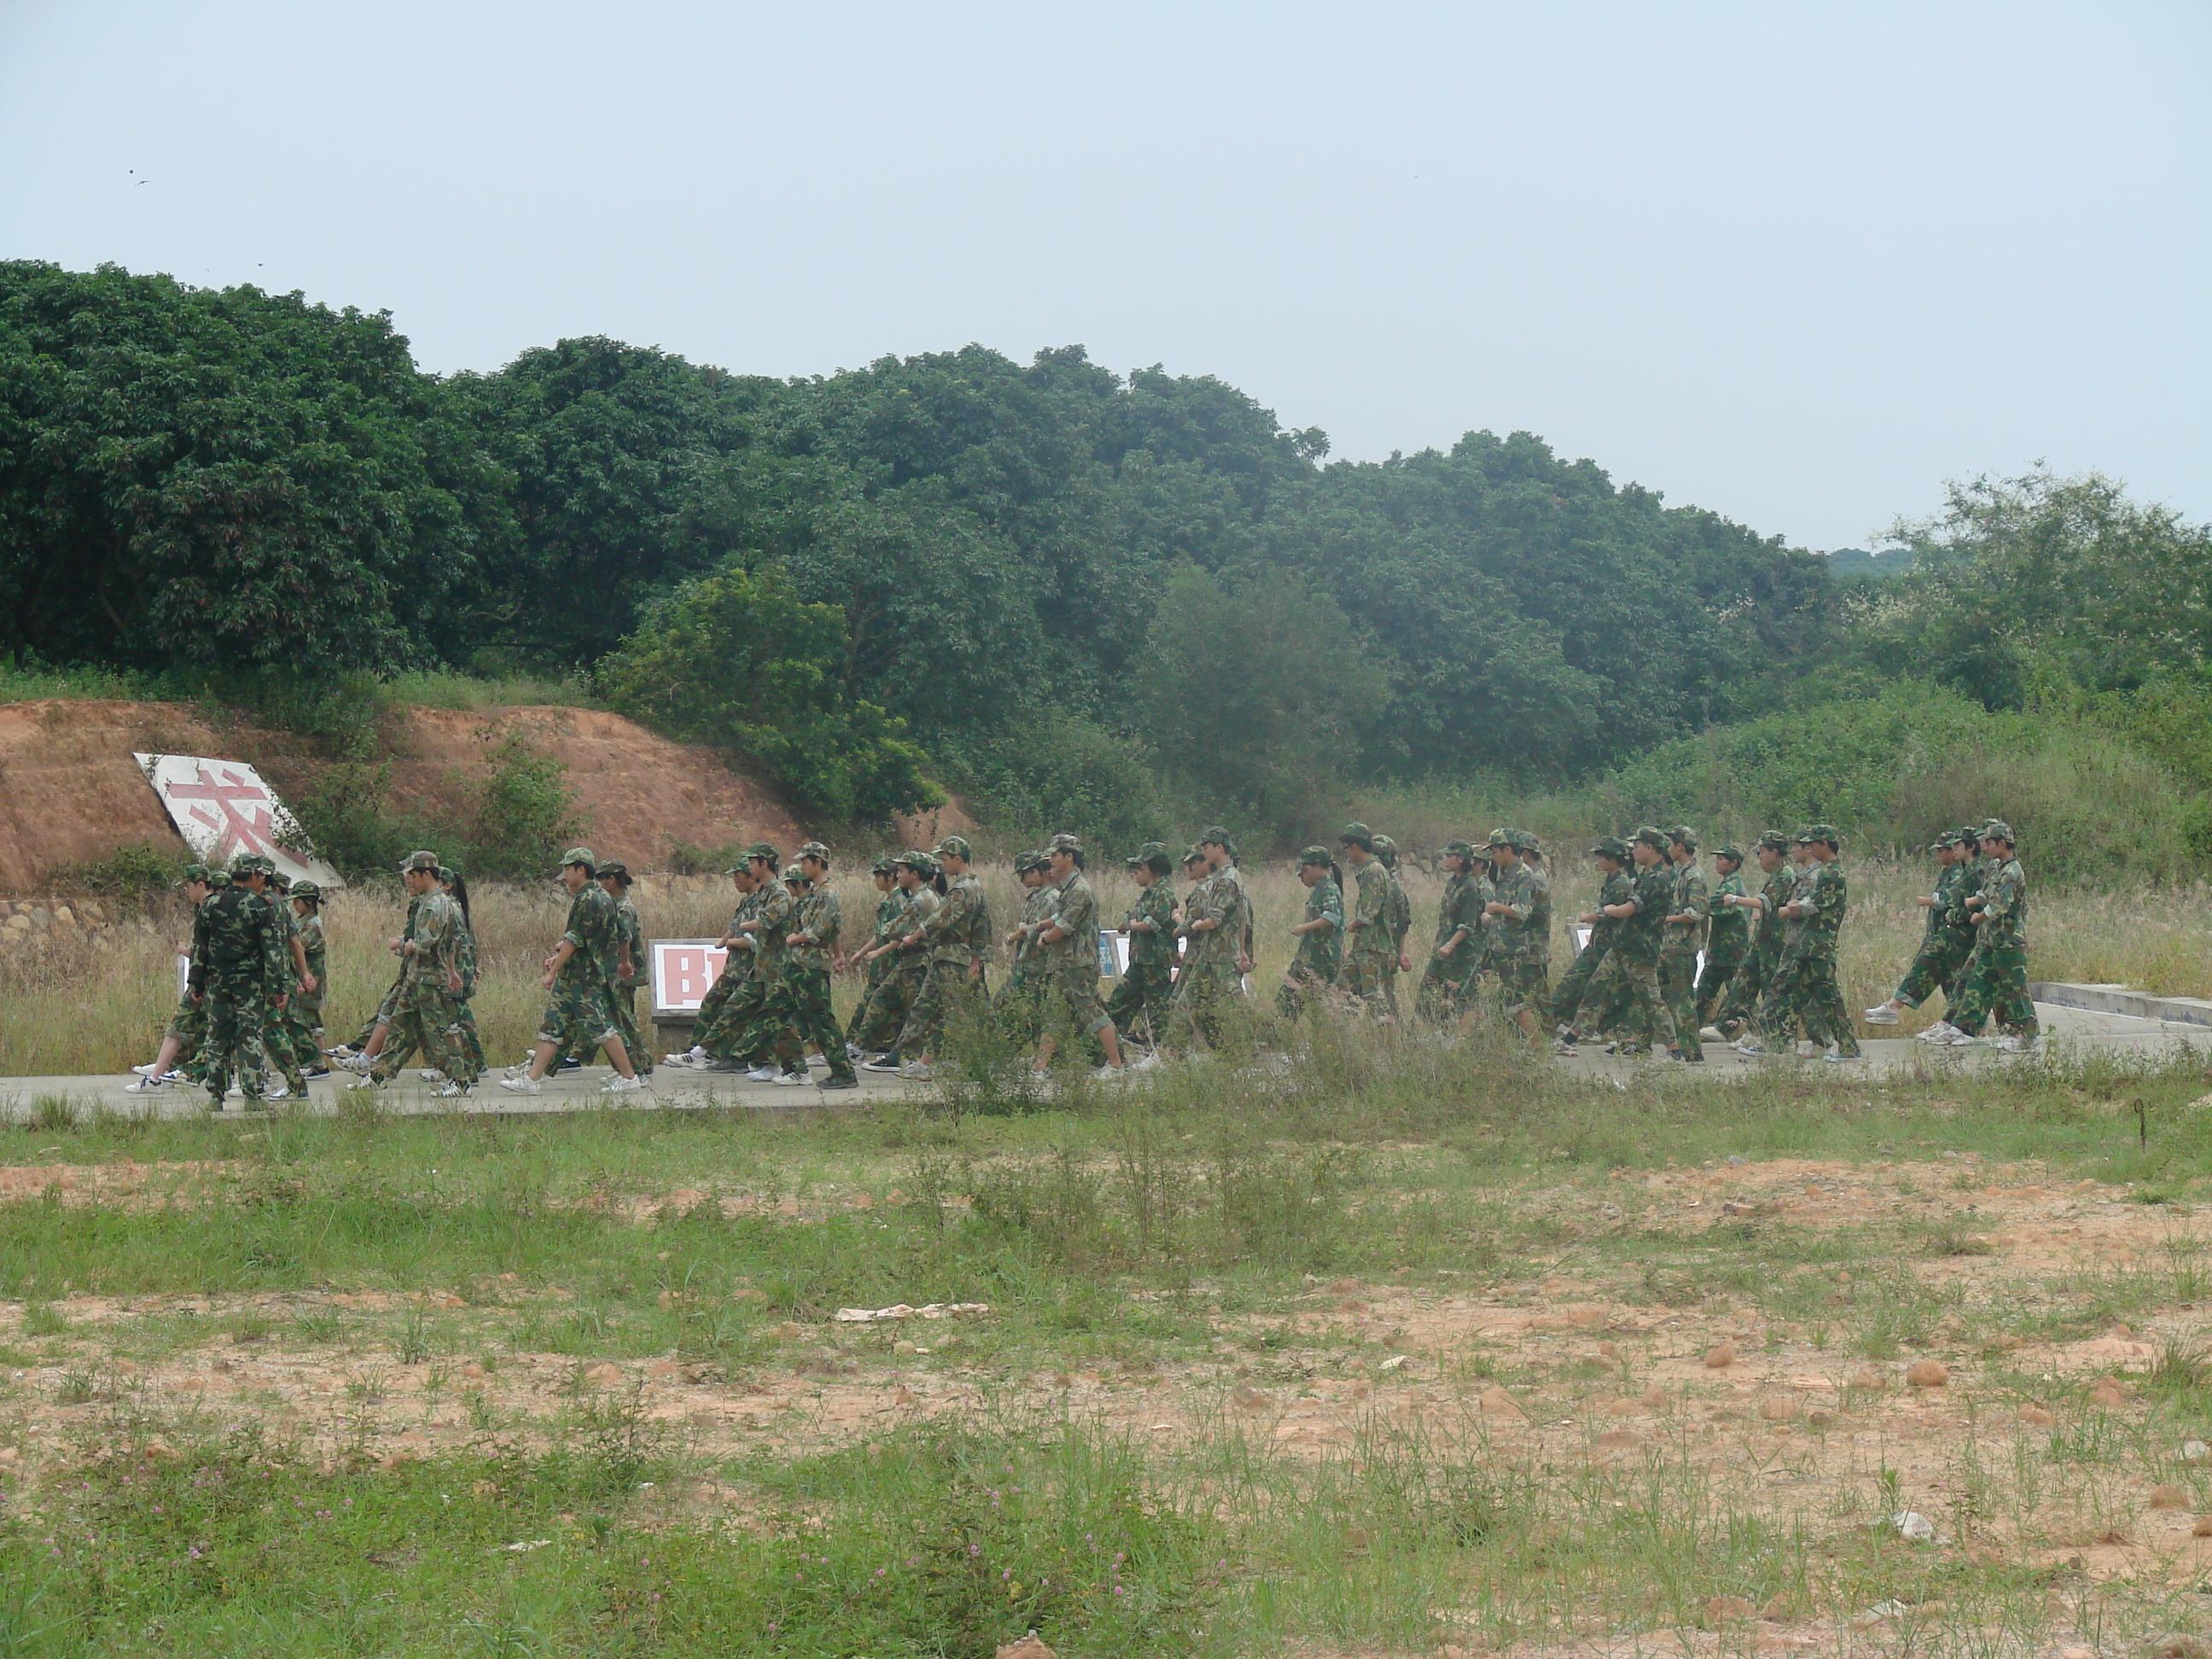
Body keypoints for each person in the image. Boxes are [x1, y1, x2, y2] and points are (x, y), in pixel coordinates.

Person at [498, 847, 645, 1096]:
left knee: (601, 1028)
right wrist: (561, 960)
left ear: (581, 869)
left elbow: (575, 939)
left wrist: (553, 970)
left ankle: (629, 1077)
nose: (565, 876)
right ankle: (531, 1079)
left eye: (568, 870)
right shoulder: (602, 896)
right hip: (577, 976)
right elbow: (606, 937)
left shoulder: (588, 899)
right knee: (553, 1025)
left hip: (583, 978)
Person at [348, 851, 474, 1095]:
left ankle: (460, 1081)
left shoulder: (435, 905)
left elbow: (425, 943)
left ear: (426, 875)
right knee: (400, 1028)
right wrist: (452, 971)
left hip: (430, 981)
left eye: (413, 876)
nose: (410, 881)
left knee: (440, 1032)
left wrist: (402, 945)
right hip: (417, 979)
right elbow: (450, 944)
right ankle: (379, 1075)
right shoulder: (431, 902)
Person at [888, 835, 992, 1080]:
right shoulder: (976, 887)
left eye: (945, 859)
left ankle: (977, 1064)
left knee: (953, 1013)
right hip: (950, 958)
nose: (942, 865)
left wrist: (914, 936)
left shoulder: (961, 889)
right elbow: (983, 928)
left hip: (951, 959)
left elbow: (939, 919)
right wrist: (977, 958)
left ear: (958, 859)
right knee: (928, 1009)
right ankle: (919, 1061)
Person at [192, 853, 288, 1110]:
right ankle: (253, 1096)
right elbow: (273, 950)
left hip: (217, 983)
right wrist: (279, 986)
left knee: (217, 1036)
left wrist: (196, 982)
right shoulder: (260, 906)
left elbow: (200, 947)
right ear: (253, 875)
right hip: (250, 985)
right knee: (249, 1036)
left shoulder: (210, 905)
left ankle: (216, 1096)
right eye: (261, 875)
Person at [1028, 833, 1130, 1077]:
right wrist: (1044, 924)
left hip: (1078, 963)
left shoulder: (1079, 890)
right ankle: (1040, 1068)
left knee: (1093, 1013)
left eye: (1055, 855)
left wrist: (1044, 939)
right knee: (1055, 1014)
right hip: (1065, 964)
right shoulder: (1069, 888)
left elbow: (1065, 926)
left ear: (1069, 857)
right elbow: (1060, 917)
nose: (1050, 861)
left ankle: (1116, 1065)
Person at [1866, 828, 1981, 1038]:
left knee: (1928, 963)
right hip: (1946, 934)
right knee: (1953, 982)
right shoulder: (1960, 871)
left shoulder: (1968, 872)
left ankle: (1895, 1006)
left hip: (1956, 936)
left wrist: (1932, 903)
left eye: (1944, 849)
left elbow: (1954, 901)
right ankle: (1955, 1024)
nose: (1940, 854)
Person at [1941, 820, 2040, 1051]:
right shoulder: (1998, 868)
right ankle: (1964, 1027)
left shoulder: (2013, 872)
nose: (1984, 847)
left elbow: (1999, 906)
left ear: (2002, 844)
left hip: (2008, 940)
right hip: (1991, 939)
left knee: (2014, 989)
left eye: (1989, 842)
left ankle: (2027, 1035)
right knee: (1978, 981)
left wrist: (1978, 917)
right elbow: (1988, 894)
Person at [769, 841, 859, 1090]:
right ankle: (795, 1068)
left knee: (821, 1020)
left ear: (818, 863)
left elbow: (821, 929)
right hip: (798, 964)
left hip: (813, 966)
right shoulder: (813, 894)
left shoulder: (828, 895)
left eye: (805, 862)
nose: (802, 867)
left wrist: (795, 939)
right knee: (775, 1010)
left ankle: (843, 1072)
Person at [125, 863, 218, 1094]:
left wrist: (190, 954)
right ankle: (164, 1072)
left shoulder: (212, 910)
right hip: (204, 980)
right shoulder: (204, 909)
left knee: (195, 1028)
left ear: (200, 884)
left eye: (188, 886)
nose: (186, 891)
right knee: (188, 1027)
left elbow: (213, 950)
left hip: (210, 981)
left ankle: (164, 1075)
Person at [698, 844, 790, 1074]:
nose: (749, 867)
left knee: (777, 1018)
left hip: (776, 968)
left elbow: (766, 921)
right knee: (735, 1007)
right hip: (761, 968)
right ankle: (704, 1050)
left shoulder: (778, 893)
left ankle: (782, 1066)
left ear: (763, 864)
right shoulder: (765, 893)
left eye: (751, 863)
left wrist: (744, 927)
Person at [1591, 826, 1681, 1059]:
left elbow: (1629, 909)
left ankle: (1674, 1049)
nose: (1634, 851)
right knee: (1612, 990)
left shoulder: (1657, 879)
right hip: (1628, 946)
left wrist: (1608, 910)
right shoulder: (1647, 875)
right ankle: (1625, 1039)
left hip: (1641, 949)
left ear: (1650, 848)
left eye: (1638, 846)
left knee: (1651, 1000)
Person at [668, 863, 758, 1068]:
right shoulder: (746, 902)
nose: (735, 880)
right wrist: (723, 941)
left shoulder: (762, 903)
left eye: (738, 875)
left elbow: (758, 940)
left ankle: (717, 1054)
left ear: (750, 876)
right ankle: (697, 1050)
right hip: (734, 967)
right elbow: (734, 927)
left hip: (749, 969)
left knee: (735, 1013)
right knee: (712, 1002)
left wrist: (732, 942)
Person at [857, 851, 940, 1069]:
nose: (898, 875)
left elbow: (895, 928)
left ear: (915, 874)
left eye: (902, 871)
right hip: (910, 962)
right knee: (884, 998)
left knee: (918, 1012)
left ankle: (905, 1056)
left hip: (918, 963)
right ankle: (865, 1047)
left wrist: (883, 932)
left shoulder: (919, 900)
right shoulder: (923, 896)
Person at [1550, 835, 1633, 1051]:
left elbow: (1611, 913)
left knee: (1579, 986)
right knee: (1578, 986)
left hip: (1606, 947)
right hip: (1598, 945)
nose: (1598, 861)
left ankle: (1564, 1029)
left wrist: (1589, 916)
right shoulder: (1612, 881)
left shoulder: (1621, 884)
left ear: (1612, 859)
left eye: (1602, 856)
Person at [1712, 833, 1792, 1041]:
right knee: (1742, 983)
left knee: (1770, 990)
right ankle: (1725, 1027)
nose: (1760, 857)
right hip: (1762, 941)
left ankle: (1775, 1036)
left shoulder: (1785, 875)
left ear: (1774, 852)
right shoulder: (1775, 875)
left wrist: (1735, 899)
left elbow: (1766, 902)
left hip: (1774, 943)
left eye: (1762, 852)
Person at [1107, 841, 1179, 1046]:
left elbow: (1151, 924)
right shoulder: (1148, 894)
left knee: (1157, 1010)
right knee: (1119, 1000)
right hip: (1140, 961)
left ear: (1152, 867)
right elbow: (1132, 918)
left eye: (1140, 867)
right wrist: (1128, 923)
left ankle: (1158, 1049)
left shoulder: (1164, 893)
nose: (1136, 873)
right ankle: (1110, 1042)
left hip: (1156, 962)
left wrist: (1131, 925)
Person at [1482, 830, 1547, 1041]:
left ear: (1508, 850)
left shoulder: (1524, 875)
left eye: (1495, 851)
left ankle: (1539, 1048)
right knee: (1498, 997)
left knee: (1517, 1003)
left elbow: (1522, 911)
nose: (1493, 857)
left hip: (1513, 948)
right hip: (1498, 944)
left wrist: (1496, 908)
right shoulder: (1505, 874)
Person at [1417, 836, 1487, 1022]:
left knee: (1462, 996)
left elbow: (1468, 925)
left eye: (1449, 856)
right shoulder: (1453, 883)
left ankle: (1464, 1033)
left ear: (1460, 859)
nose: (1445, 860)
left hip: (1461, 953)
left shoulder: (1470, 887)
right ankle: (1434, 1028)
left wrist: (1449, 946)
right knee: (1429, 991)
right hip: (1444, 947)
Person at [841, 857, 903, 1058]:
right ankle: (854, 1042)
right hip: (881, 965)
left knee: (879, 1006)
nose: (875, 880)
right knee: (868, 1004)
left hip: (891, 963)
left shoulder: (899, 902)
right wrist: (861, 953)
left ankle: (861, 1045)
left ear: (890, 877)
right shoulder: (888, 901)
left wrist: (878, 952)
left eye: (879, 876)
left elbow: (898, 936)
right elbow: (880, 934)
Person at [1336, 821, 1395, 1017]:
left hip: (1373, 945)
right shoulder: (1370, 870)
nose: (1346, 853)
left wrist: (1350, 926)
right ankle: (1346, 1023)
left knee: (1372, 994)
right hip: (1364, 944)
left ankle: (1387, 1027)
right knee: (1344, 984)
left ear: (1355, 847)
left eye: (1346, 848)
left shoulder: (1373, 872)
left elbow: (1368, 913)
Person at [1659, 826, 1708, 1062]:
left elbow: (1696, 912)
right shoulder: (1681, 874)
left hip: (1683, 948)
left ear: (1680, 846)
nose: (1668, 849)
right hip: (1671, 946)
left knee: (1683, 1002)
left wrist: (1667, 919)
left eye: (1671, 844)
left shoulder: (1694, 876)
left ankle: (1692, 1052)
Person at [1278, 847, 1343, 1020]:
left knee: (1300, 1005)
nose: (1302, 877)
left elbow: (1331, 917)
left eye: (1305, 871)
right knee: (1288, 1004)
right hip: (1310, 957)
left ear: (1317, 866)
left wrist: (1304, 928)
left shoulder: (1328, 889)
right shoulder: (1319, 890)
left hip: (1321, 960)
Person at [998, 852, 1054, 1041]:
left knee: (1035, 1012)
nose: (1022, 879)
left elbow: (1035, 929)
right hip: (1026, 964)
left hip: (1038, 966)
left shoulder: (1050, 898)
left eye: (1025, 874)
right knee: (1006, 1004)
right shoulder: (1037, 896)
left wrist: (1013, 937)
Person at [1694, 845, 1749, 1030]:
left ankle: (1754, 1028)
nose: (1717, 862)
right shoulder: (1730, 883)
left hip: (1730, 950)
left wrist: (1696, 906)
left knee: (1737, 993)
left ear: (1733, 863)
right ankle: (1692, 1030)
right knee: (1705, 991)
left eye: (1722, 859)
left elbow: (1712, 906)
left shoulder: (1731, 885)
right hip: (1721, 950)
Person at [288, 881, 330, 1080]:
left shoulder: (313, 924)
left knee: (311, 1019)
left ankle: (320, 1063)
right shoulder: (302, 920)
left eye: (297, 901)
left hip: (312, 978)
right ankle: (315, 1063)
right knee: (306, 1018)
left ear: (308, 902)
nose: (294, 904)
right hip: (303, 976)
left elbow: (297, 945)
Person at [1371, 834, 1414, 1017]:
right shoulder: (1384, 883)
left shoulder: (1390, 887)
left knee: (1383, 992)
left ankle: (1392, 1025)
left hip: (1384, 949)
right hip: (1383, 949)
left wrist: (1398, 952)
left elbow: (1401, 923)